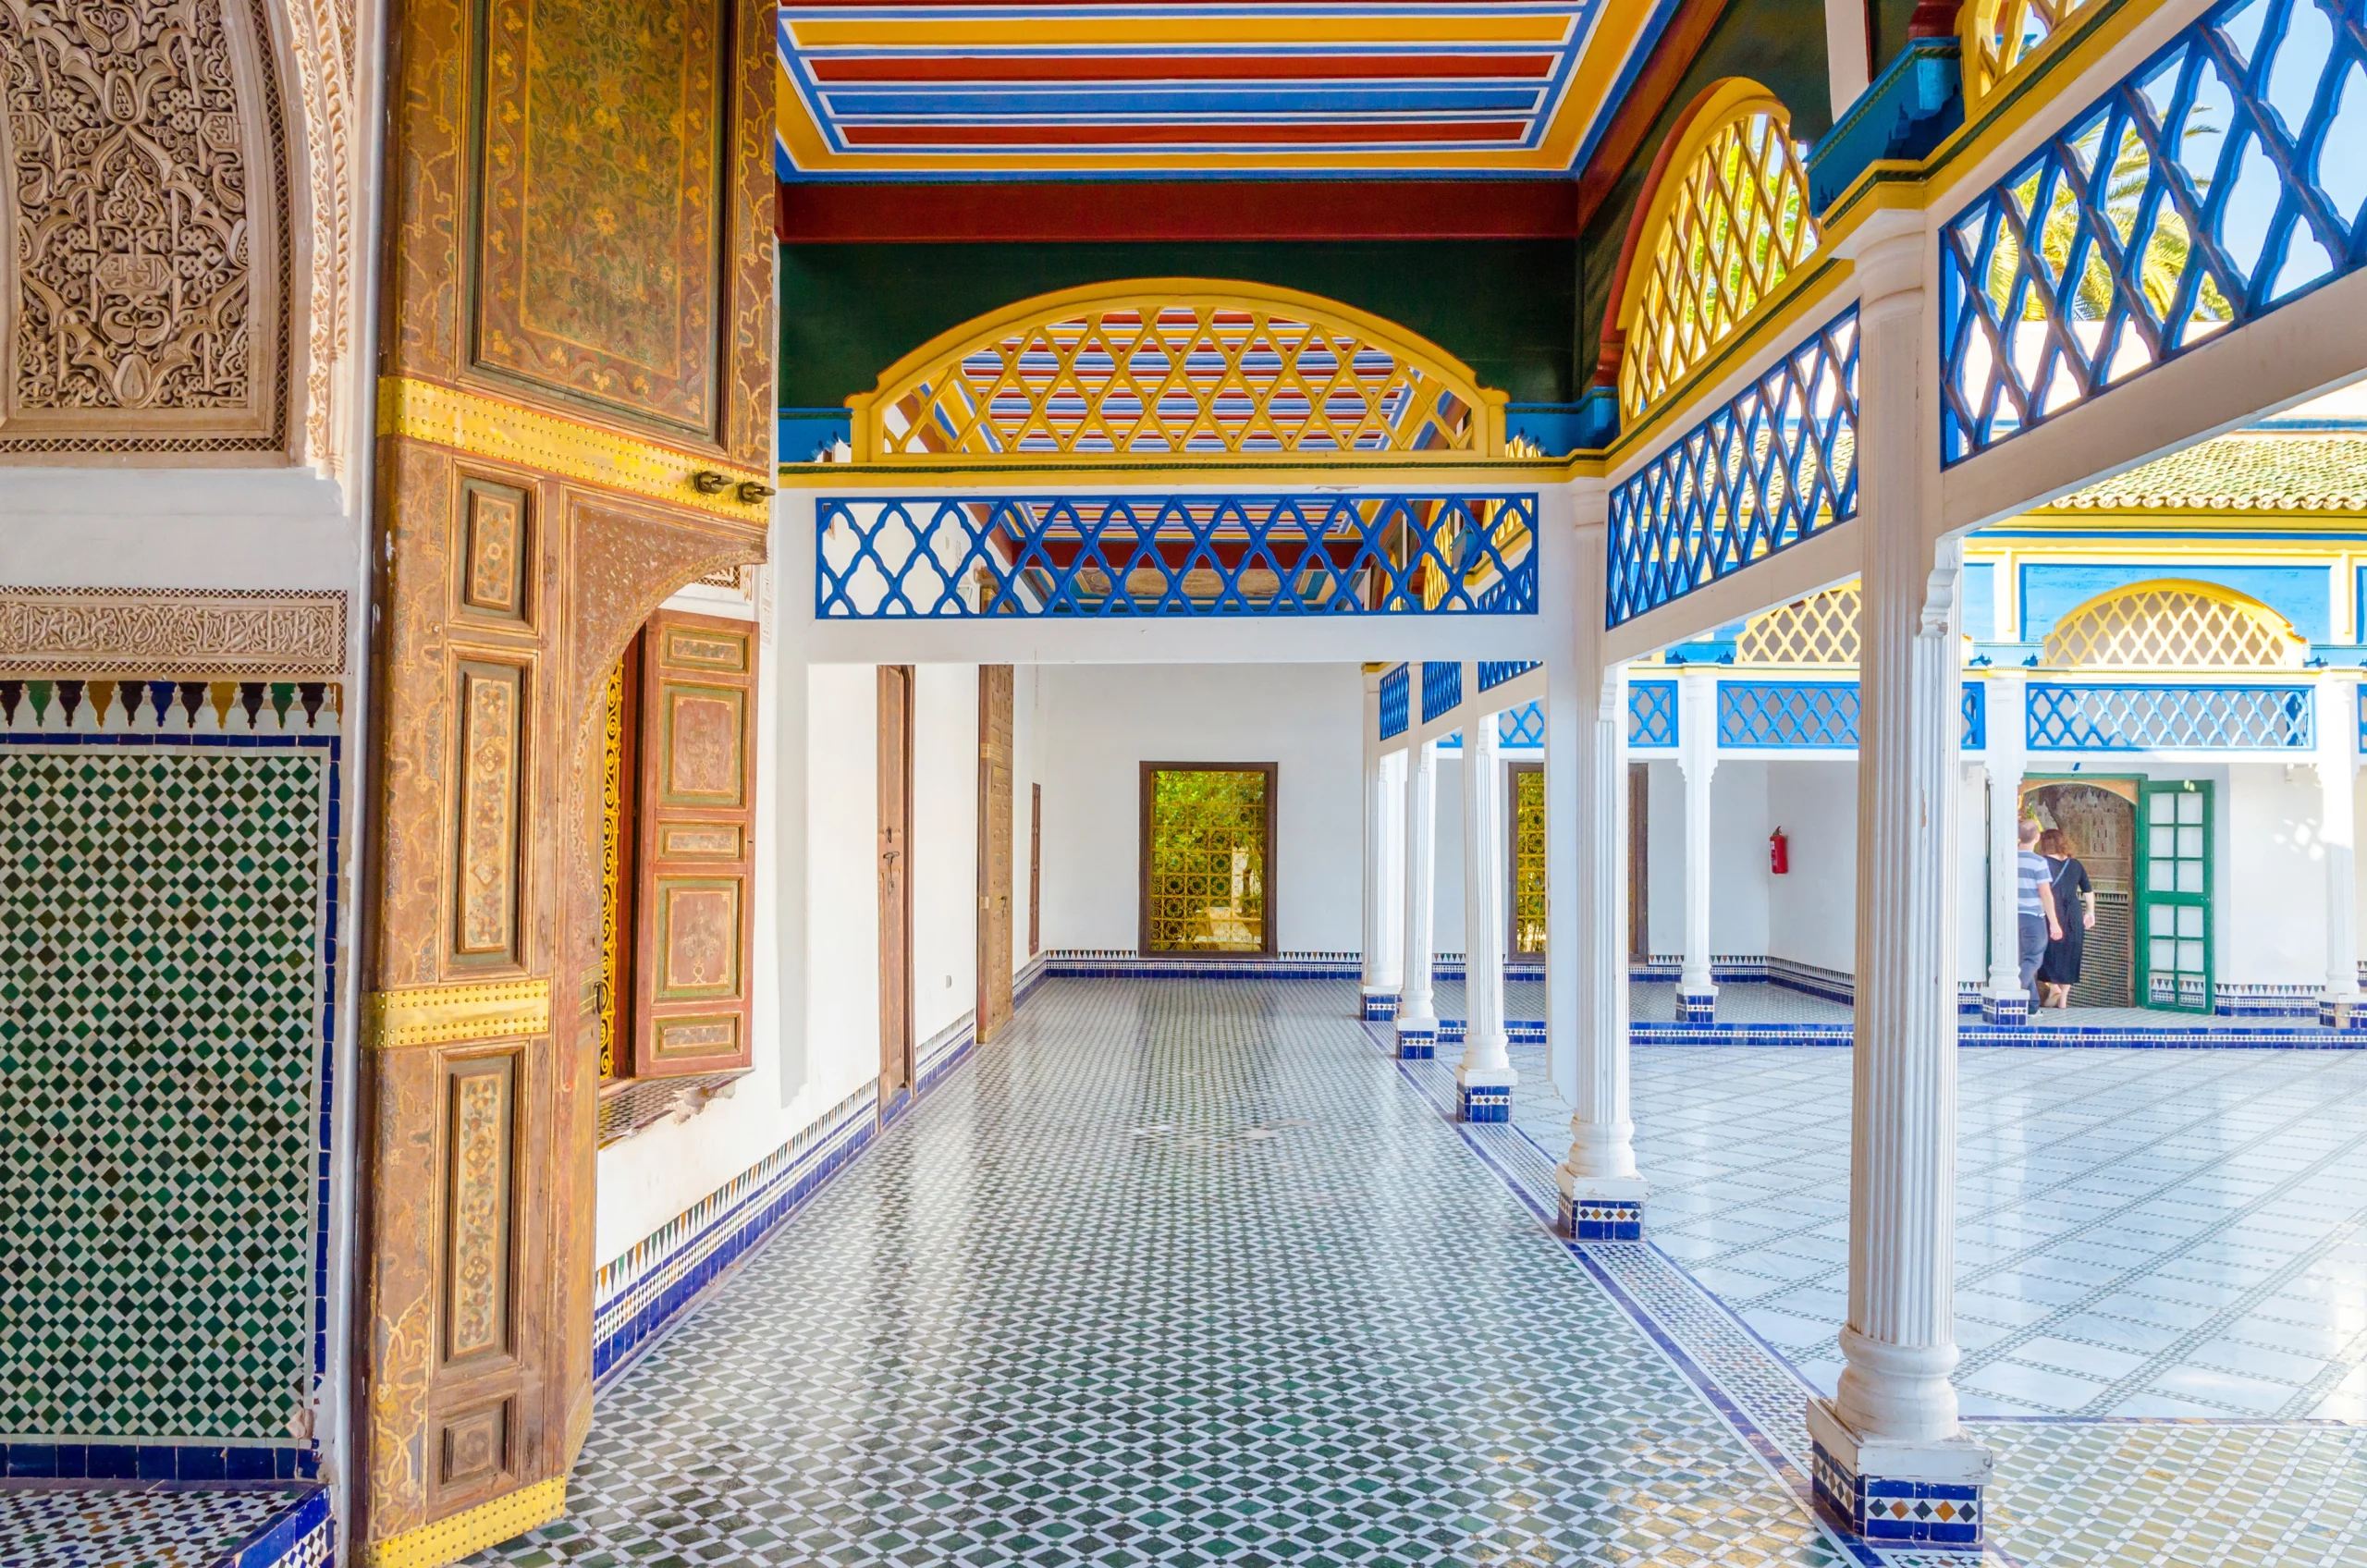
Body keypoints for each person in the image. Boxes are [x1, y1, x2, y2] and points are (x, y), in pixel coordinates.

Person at [2035, 827, 2095, 1009]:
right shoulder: (2075, 864)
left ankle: (2054, 986)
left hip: (2051, 911)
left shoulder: (2043, 862)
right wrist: (2090, 912)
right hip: (2074, 912)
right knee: (2071, 952)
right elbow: (2088, 890)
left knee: (2050, 949)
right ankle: (2063, 1000)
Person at [2016, 816, 2062, 999]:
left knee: (2022, 961)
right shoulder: (2038, 862)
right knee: (2033, 958)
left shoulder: (2007, 858)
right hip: (2032, 916)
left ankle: (2033, 1006)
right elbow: (2045, 893)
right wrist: (2054, 923)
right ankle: (2011, 993)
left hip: (2011, 916)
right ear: (2036, 837)